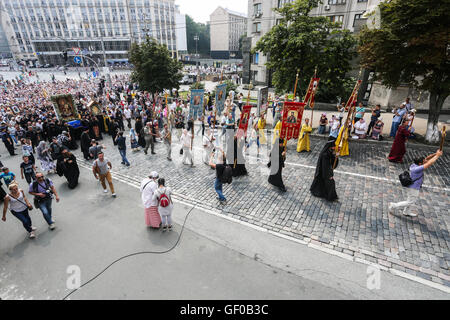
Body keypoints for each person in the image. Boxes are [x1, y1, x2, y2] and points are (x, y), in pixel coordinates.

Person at [389, 150, 442, 217]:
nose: (425, 161)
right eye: (424, 161)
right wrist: (437, 156)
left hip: (412, 186)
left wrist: (435, 154)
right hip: (413, 188)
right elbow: (429, 163)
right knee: (410, 202)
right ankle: (393, 205)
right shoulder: (417, 169)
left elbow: (427, 158)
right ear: (420, 164)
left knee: (410, 200)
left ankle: (406, 212)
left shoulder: (414, 164)